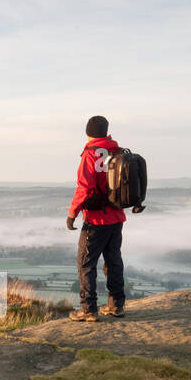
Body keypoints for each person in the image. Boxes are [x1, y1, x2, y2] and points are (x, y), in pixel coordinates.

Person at [66, 115, 126, 320]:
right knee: (114, 261)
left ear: (88, 132)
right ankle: (116, 305)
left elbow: (84, 186)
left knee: (86, 264)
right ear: (106, 131)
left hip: (96, 220)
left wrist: (72, 212)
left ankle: (88, 309)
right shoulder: (116, 151)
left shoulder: (90, 153)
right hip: (117, 216)